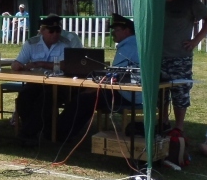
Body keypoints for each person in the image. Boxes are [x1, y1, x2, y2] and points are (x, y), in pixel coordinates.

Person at [59, 13, 140, 140]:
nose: (113, 33)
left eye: (116, 30)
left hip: (129, 94)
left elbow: (116, 75)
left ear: (127, 31)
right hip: (131, 92)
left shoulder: (128, 47)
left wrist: (97, 87)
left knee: (85, 99)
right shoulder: (134, 44)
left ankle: (61, 132)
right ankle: (65, 131)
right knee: (85, 96)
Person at [162, 0, 207, 133]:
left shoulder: (188, 1)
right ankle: (163, 124)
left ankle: (178, 128)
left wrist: (195, 40)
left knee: (180, 94)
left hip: (180, 57)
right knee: (160, 94)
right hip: (157, 57)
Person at [11, 14, 74, 144]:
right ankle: (36, 130)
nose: (55, 34)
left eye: (58, 30)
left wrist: (39, 63)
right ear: (42, 31)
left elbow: (65, 65)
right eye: (51, 31)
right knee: (23, 98)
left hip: (58, 84)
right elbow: (18, 62)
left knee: (46, 99)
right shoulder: (31, 43)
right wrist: (17, 65)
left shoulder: (66, 44)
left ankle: (27, 134)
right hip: (36, 83)